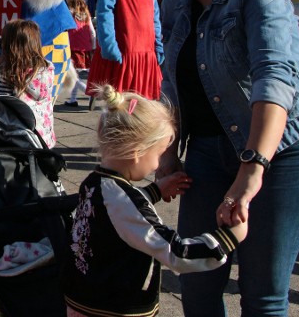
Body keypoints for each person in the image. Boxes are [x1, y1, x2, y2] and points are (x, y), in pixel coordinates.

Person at [145, 0, 299, 316]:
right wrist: (168, 154)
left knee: (262, 295)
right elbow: (171, 81)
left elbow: (275, 78)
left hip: (283, 152)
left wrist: (251, 170)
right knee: (197, 281)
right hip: (209, 151)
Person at [64, 85, 245, 317]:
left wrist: (154, 191)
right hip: (115, 308)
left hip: (83, 297)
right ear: (138, 152)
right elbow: (175, 252)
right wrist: (229, 238)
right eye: (158, 154)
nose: (158, 164)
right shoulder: (124, 200)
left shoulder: (93, 182)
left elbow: (115, 216)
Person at [0, 19, 58, 148]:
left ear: (11, 45)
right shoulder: (43, 69)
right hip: (36, 136)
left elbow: (3, 104)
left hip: (25, 138)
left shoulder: (10, 74)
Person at [62, 0, 95, 108]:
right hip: (85, 47)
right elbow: (92, 31)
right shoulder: (86, 12)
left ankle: (90, 92)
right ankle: (73, 99)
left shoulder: (68, 12)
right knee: (77, 73)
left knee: (72, 75)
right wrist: (93, 46)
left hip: (73, 47)